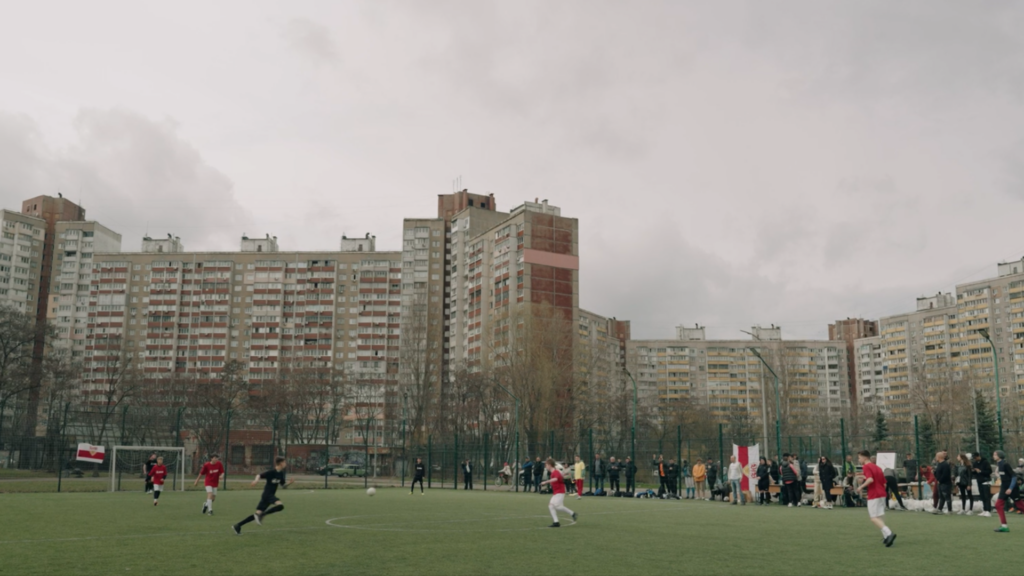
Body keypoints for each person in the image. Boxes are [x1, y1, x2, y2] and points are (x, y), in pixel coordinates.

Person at [233, 456, 294, 535]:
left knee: (256, 514)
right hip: (267, 495)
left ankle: (238, 525)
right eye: (284, 462)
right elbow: (259, 475)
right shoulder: (271, 472)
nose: (286, 464)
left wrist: (290, 482)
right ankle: (262, 515)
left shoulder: (281, 474)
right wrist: (255, 481)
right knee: (280, 506)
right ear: (281, 463)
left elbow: (283, 486)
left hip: (268, 496)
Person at [857, 450, 897, 547]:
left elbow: (870, 479)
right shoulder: (878, 467)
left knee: (873, 518)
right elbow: (884, 483)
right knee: (879, 516)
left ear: (864, 458)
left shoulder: (866, 466)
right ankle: (886, 537)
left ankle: (889, 533)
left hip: (874, 494)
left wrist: (860, 487)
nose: (858, 460)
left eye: (859, 458)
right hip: (882, 494)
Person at [540, 458, 577, 528]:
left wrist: (546, 482)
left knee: (556, 506)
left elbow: (556, 479)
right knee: (551, 506)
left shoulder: (555, 472)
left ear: (550, 465)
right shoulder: (554, 472)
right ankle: (556, 522)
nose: (546, 466)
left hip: (560, 492)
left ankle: (571, 514)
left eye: (546, 465)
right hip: (556, 492)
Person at [993, 450, 1019, 533]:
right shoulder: (999, 464)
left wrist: (1010, 488)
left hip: (1012, 488)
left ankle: (1004, 526)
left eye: (995, 454)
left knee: (1020, 506)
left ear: (999, 456)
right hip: (1004, 488)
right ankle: (1004, 526)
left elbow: (1014, 476)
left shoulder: (1005, 464)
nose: (993, 456)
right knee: (998, 505)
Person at [972, 453, 993, 518]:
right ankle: (984, 510)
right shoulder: (975, 463)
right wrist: (973, 471)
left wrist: (980, 471)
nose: (975, 459)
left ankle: (988, 510)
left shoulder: (985, 462)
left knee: (987, 496)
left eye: (975, 458)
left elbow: (989, 471)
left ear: (978, 456)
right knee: (982, 496)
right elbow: (975, 473)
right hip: (979, 481)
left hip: (986, 480)